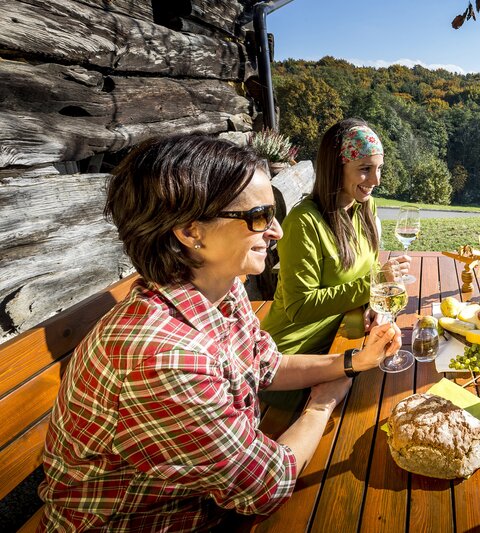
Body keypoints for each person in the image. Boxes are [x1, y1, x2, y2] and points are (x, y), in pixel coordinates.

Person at [38, 135, 402, 531]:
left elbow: (265, 365)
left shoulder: (219, 288)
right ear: (191, 232)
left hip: (199, 497)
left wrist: (352, 362)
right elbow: (266, 486)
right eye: (260, 216)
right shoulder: (164, 359)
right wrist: (319, 406)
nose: (277, 231)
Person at [261, 118, 409, 366]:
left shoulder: (365, 207)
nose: (376, 180)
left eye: (379, 168)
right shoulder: (304, 222)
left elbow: (366, 271)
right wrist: (375, 285)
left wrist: (374, 305)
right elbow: (299, 307)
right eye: (365, 169)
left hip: (344, 340)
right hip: (295, 354)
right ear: (336, 168)